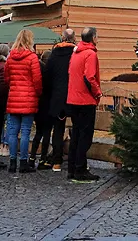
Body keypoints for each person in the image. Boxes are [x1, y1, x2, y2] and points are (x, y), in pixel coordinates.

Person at [4, 28, 44, 173]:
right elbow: (37, 80)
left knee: (13, 132)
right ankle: (23, 162)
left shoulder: (10, 57)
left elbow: (7, 78)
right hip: (28, 98)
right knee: (26, 131)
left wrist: (13, 88)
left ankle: (12, 162)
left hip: (13, 97)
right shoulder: (32, 58)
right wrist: (38, 93)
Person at [66, 26, 102, 183]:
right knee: (85, 137)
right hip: (85, 100)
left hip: (73, 99)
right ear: (93, 38)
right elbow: (89, 77)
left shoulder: (76, 53)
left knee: (76, 135)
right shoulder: (90, 54)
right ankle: (80, 169)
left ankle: (72, 168)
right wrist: (97, 93)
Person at [38, 29, 78, 170]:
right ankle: (75, 160)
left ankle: (56, 161)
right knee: (76, 128)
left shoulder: (54, 54)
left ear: (62, 38)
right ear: (74, 38)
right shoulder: (76, 54)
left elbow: (47, 76)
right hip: (73, 95)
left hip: (57, 96)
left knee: (58, 129)